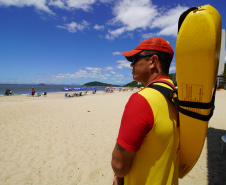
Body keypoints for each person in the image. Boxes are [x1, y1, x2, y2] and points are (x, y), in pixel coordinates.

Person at [111, 38, 179, 185]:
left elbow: (119, 165)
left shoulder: (142, 100)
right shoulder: (175, 96)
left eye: (135, 59)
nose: (131, 64)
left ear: (153, 61)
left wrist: (118, 176)